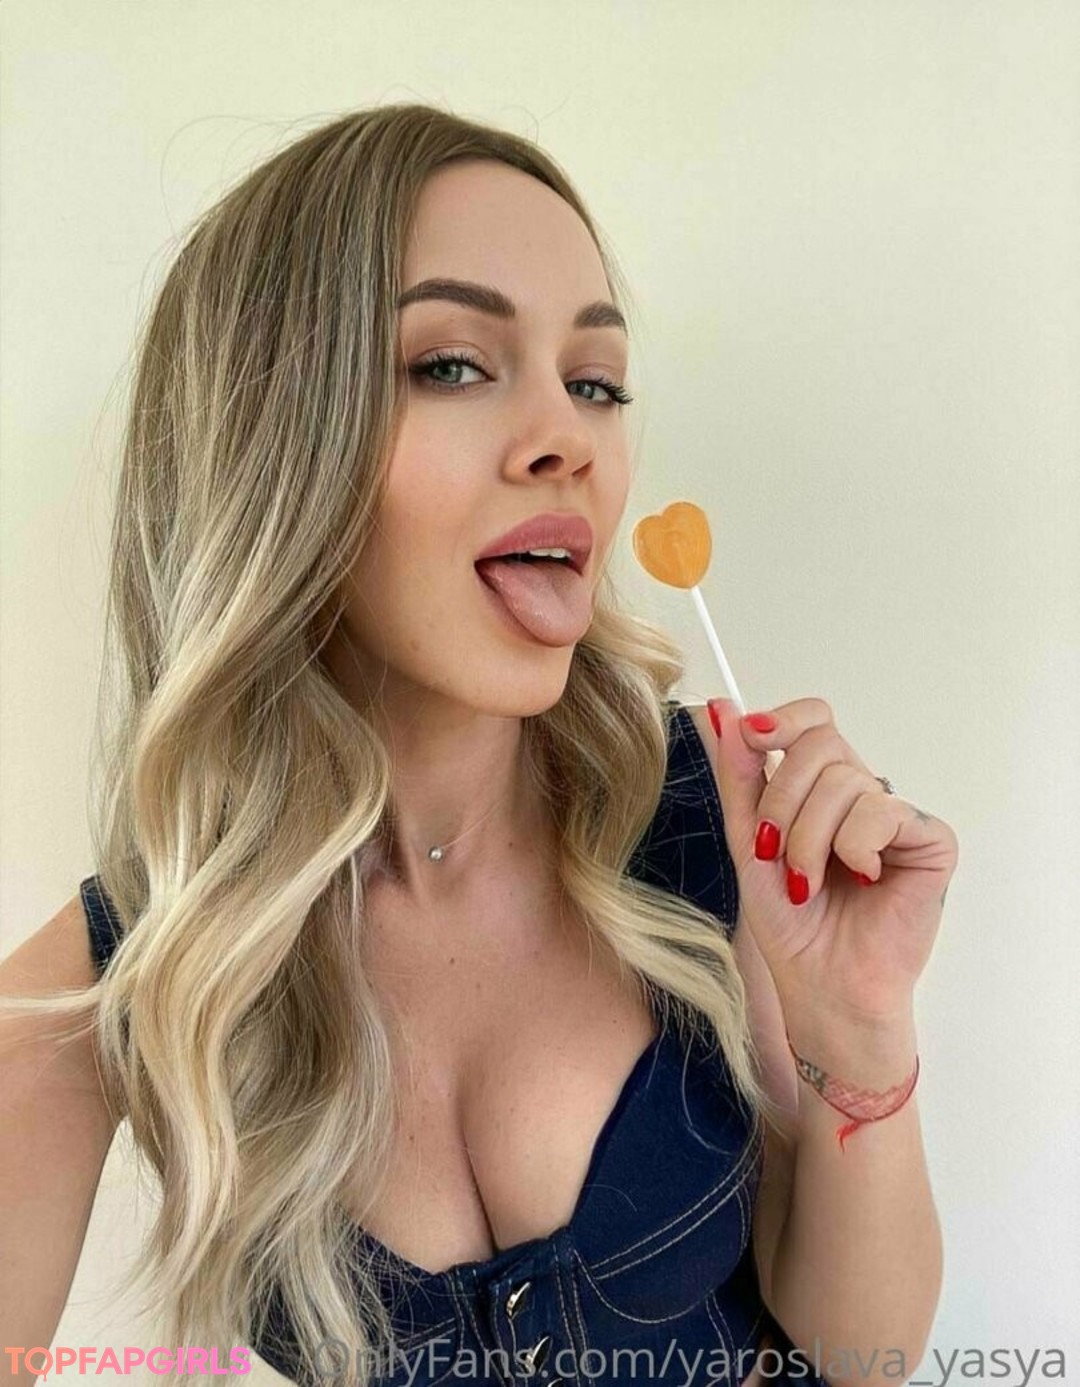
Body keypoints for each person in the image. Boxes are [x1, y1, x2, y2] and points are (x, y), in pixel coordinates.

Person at [1, 104, 951, 1387]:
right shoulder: (131, 975)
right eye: (453, 365)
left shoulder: (717, 815)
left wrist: (862, 1035)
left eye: (596, 383)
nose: (570, 439)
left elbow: (863, 1354)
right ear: (272, 442)